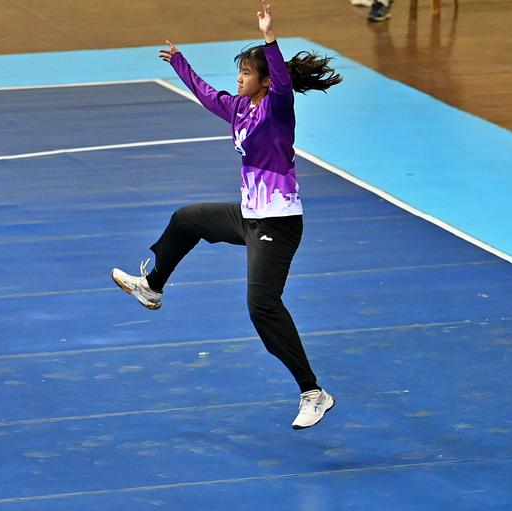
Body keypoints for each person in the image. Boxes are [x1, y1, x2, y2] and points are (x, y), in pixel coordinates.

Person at [111, 0, 342, 429]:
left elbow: (284, 85)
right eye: (239, 72)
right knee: (187, 219)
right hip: (249, 216)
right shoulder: (238, 109)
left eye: (247, 72)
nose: (239, 78)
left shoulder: (276, 109)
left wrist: (271, 39)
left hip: (278, 223)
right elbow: (204, 93)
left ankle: (313, 391)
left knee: (261, 306)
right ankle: (153, 287)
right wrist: (179, 62)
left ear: (265, 80)